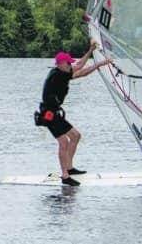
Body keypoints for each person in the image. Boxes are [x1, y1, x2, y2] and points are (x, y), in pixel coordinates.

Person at [38, 43, 112, 186]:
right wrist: (99, 64)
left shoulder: (61, 73)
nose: (70, 66)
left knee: (76, 136)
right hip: (49, 114)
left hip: (55, 113)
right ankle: (65, 176)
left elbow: (79, 70)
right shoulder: (58, 75)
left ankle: (69, 168)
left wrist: (91, 51)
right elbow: (79, 69)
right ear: (60, 64)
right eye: (68, 63)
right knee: (64, 142)